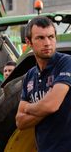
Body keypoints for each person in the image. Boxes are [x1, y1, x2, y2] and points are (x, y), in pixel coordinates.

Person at [16, 16, 71, 151]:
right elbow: (20, 122)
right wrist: (44, 106)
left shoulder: (66, 63)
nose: (47, 43)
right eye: (40, 38)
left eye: (51, 37)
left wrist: (28, 108)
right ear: (29, 42)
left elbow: (50, 106)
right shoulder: (30, 76)